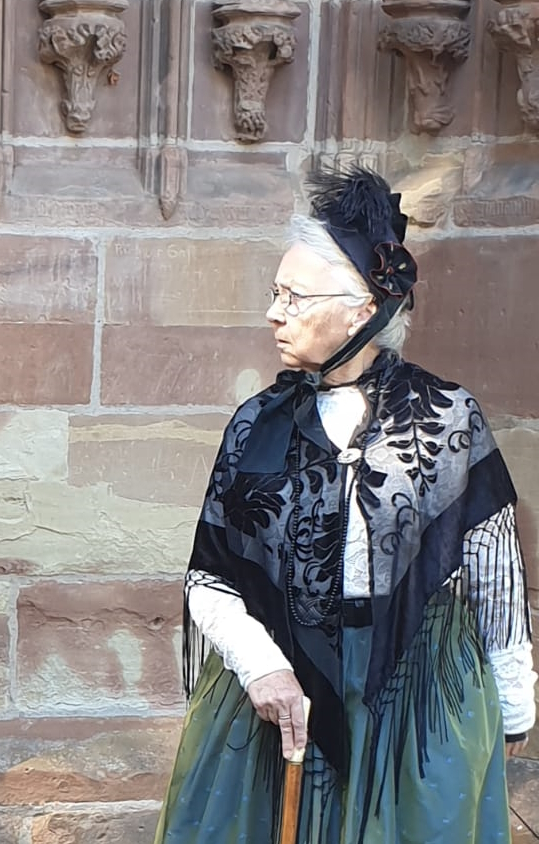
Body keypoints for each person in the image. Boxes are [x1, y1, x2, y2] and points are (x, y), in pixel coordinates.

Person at [155, 168, 535, 844]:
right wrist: (261, 665)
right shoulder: (257, 426)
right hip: (278, 702)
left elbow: (493, 577)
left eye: (294, 297)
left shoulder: (447, 418)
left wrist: (513, 712)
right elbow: (210, 578)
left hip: (418, 704)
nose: (275, 312)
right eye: (275, 294)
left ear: (362, 308)